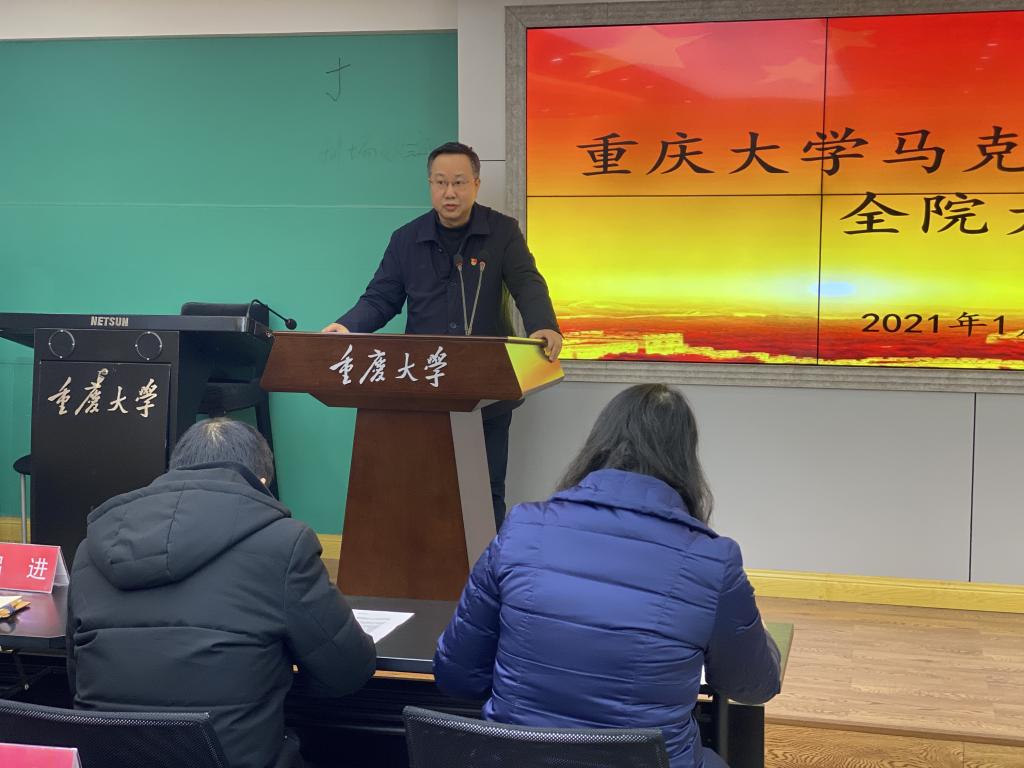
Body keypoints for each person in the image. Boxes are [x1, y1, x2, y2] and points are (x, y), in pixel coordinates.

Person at [433, 384, 781, 768]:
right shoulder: (712, 559)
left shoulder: (522, 528)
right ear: (686, 460)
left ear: (598, 444)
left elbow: (457, 675)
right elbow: (753, 685)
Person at [66, 418, 377, 768]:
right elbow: (347, 671)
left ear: (175, 469)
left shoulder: (91, 549)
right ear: (261, 482)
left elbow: (77, 676)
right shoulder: (285, 543)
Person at [321, 141, 561, 528]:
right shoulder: (406, 239)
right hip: (422, 387)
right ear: (430, 185)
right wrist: (347, 327)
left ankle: (486, 564)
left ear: (476, 184)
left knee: (486, 488)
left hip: (488, 386)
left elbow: (527, 284)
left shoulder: (502, 232)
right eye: (441, 182)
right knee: (423, 486)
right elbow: (381, 298)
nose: (450, 192)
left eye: (459, 182)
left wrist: (543, 325)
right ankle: (425, 564)